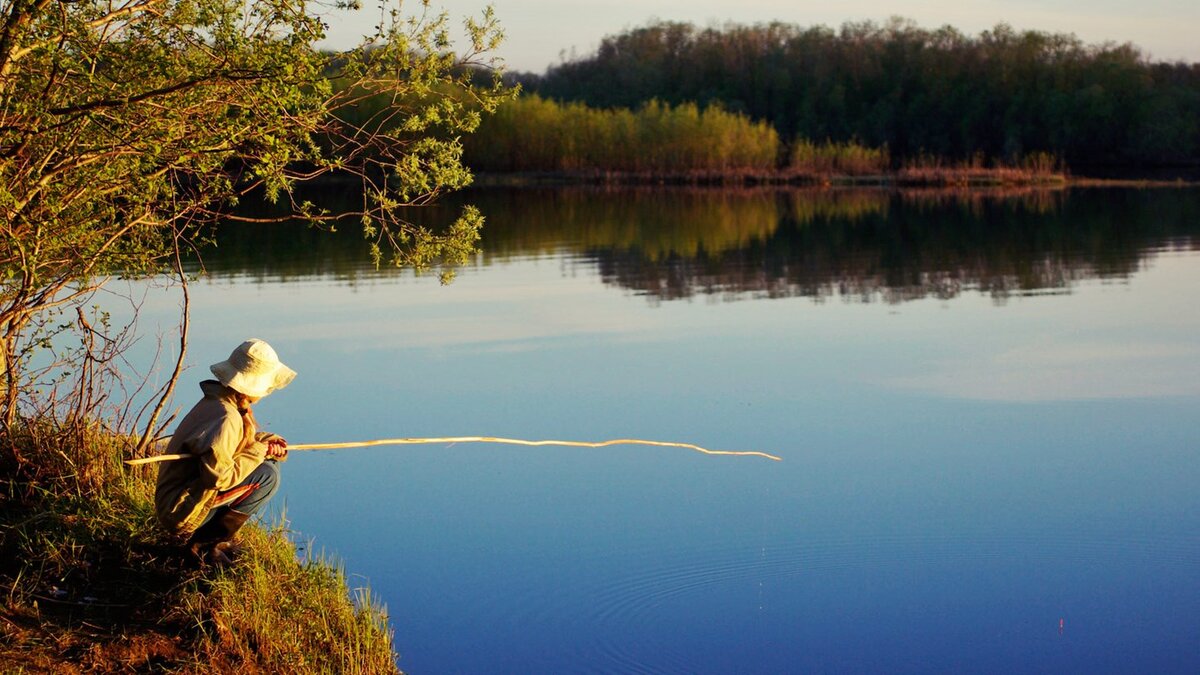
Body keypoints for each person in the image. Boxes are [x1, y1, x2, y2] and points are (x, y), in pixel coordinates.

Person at [154, 339, 296, 564]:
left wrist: (265, 444)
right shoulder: (226, 417)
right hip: (179, 511)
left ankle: (212, 542)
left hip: (180, 498)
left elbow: (230, 448)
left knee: (269, 464)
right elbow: (219, 478)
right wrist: (259, 450)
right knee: (268, 477)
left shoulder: (221, 402)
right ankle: (203, 546)